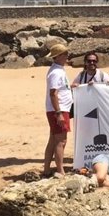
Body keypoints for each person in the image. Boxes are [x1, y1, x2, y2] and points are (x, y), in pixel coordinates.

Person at [43, 43, 73, 178]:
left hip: (58, 109)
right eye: (65, 54)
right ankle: (60, 170)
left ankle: (47, 169)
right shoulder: (56, 72)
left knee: (53, 140)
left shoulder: (58, 70)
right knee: (61, 141)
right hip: (59, 110)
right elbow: (53, 93)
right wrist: (59, 113)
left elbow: (60, 88)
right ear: (59, 56)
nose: (67, 56)